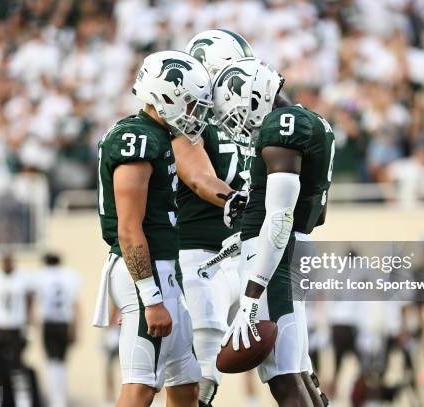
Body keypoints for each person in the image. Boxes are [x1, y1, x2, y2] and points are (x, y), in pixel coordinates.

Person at [212, 57, 336, 406]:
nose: (234, 124)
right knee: (296, 369)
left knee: (283, 378)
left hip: (274, 257)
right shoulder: (310, 120)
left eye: (235, 112)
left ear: (254, 96)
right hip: (287, 250)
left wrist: (251, 296)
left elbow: (280, 218)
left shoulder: (282, 125)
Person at [92, 50, 209, 407]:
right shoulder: (137, 139)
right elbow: (129, 229)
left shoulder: (156, 136)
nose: (194, 114)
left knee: (187, 383)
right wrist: (151, 298)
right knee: (140, 388)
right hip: (146, 275)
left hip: (164, 271)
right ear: (167, 95)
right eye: (190, 104)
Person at [175, 29, 253, 407]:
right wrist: (235, 201)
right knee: (200, 368)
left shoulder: (246, 116)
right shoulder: (189, 119)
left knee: (283, 351)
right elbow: (199, 177)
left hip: (243, 253)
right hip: (202, 251)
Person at [0, 254, 38, 406]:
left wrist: (29, 323)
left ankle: (22, 402)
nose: (7, 264)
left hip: (16, 329)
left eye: (9, 262)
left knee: (18, 368)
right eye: (5, 262)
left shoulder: (23, 277)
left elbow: (30, 300)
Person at [34, 252, 81, 407]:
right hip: (64, 323)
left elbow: (35, 301)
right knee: (61, 363)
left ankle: (55, 399)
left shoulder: (42, 275)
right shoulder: (70, 276)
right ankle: (60, 400)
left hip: (49, 323)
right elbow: (76, 305)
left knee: (51, 362)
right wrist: (76, 329)